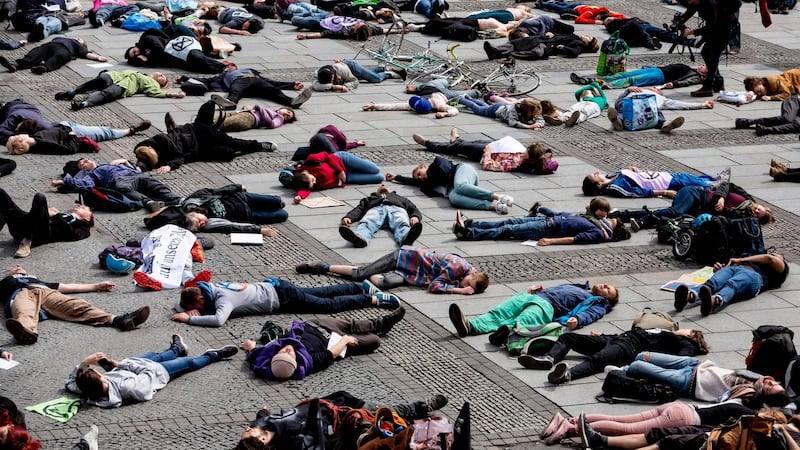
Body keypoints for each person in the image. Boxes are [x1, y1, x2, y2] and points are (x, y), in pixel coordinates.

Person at [235, 391, 448, 450]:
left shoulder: (265, 422)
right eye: (248, 432)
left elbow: (262, 415)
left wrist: (263, 413)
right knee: (384, 420)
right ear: (263, 442)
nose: (247, 428)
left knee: (379, 411)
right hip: (341, 423)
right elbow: (316, 437)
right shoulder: (290, 441)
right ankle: (421, 409)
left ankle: (418, 414)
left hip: (335, 403)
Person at [65, 335, 238, 408]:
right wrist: (122, 364)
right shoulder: (127, 387)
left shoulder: (86, 389)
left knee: (157, 355)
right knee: (188, 363)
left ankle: (177, 349)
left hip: (132, 368)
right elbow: (147, 377)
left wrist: (85, 362)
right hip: (155, 373)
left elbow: (70, 383)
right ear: (100, 376)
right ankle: (212, 355)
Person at [1, 265, 150, 344]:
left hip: (45, 292)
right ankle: (26, 333)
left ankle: (118, 320)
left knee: (77, 305)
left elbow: (67, 287)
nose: (19, 266)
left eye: (21, 267)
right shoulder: (6, 283)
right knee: (24, 311)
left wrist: (96, 286)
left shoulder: (37, 280)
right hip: (20, 294)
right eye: (15, 268)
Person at [172, 279, 403, 326]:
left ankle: (372, 299)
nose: (198, 310)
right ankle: (358, 286)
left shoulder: (225, 299)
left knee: (328, 306)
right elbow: (182, 302)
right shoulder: (213, 287)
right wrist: (185, 309)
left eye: (197, 307)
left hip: (282, 298)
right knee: (321, 293)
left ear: (201, 299)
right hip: (277, 287)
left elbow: (218, 320)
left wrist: (188, 319)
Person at [518, 328, 708, 385]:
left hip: (628, 347)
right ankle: (549, 359)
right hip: (615, 338)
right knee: (569, 338)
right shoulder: (668, 332)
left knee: (598, 359)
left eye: (688, 330)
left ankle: (567, 375)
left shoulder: (685, 342)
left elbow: (683, 360)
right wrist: (603, 336)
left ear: (692, 334)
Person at [132, 101, 277, 174]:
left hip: (197, 130)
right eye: (153, 154)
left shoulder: (156, 141)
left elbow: (140, 149)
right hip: (199, 148)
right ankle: (180, 126)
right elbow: (178, 159)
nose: (153, 150)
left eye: (150, 149)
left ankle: (259, 145)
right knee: (228, 153)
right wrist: (140, 168)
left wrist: (168, 164)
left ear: (148, 147)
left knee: (231, 142)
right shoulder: (159, 159)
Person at [241, 315, 402, 380]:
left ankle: (382, 323)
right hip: (333, 340)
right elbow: (332, 353)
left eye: (282, 352)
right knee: (373, 341)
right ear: (295, 362)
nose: (287, 349)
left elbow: (256, 353)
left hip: (316, 325)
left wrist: (250, 346)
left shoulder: (271, 353)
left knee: (351, 324)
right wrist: (345, 340)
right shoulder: (310, 361)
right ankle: (375, 330)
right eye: (289, 355)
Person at [447, 281, 618, 338]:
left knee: (524, 320)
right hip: (532, 297)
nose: (605, 285)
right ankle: (471, 326)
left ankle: (506, 334)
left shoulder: (599, 304)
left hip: (547, 307)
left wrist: (578, 320)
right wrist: (535, 290)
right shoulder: (582, 287)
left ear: (607, 299)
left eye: (608, 289)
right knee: (499, 312)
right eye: (607, 284)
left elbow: (591, 314)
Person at [296, 246, 489, 295]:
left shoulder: (469, 271)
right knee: (360, 274)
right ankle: (322, 267)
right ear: (472, 275)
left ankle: (371, 271)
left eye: (468, 286)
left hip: (412, 274)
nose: (464, 284)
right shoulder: (458, 267)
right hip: (404, 257)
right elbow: (435, 287)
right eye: (468, 283)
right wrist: (458, 290)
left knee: (385, 283)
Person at [540, 400, 757, 443]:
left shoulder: (737, 404)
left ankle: (567, 420)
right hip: (685, 418)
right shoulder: (750, 417)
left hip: (680, 407)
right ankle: (571, 430)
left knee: (619, 419)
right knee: (626, 429)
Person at [452, 198, 631, 246]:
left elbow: (575, 239)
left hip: (548, 228)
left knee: (508, 229)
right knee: (510, 221)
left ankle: (470, 234)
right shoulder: (598, 222)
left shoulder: (599, 233)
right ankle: (473, 224)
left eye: (614, 220)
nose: (611, 218)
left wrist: (550, 241)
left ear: (614, 228)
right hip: (549, 220)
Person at [623, 351, 789, 403]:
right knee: (642, 356)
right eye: (774, 383)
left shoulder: (749, 395)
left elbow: (724, 402)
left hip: (688, 382)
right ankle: (627, 369)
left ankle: (622, 371)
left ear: (765, 395)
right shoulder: (758, 378)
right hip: (696, 365)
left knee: (637, 366)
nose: (769, 383)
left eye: (770, 388)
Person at [672, 250, 788, 316]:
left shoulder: (782, 268)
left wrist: (740, 260)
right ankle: (689, 296)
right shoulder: (754, 257)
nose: (773, 252)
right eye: (772, 251)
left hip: (754, 276)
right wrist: (719, 268)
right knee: (713, 282)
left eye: (777, 253)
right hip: (733, 269)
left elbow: (769, 259)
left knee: (733, 284)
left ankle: (714, 302)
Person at [386, 156, 515, 213]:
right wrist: (396, 177)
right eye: (418, 178)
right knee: (453, 198)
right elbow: (412, 181)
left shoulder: (437, 163)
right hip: (458, 187)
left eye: (419, 173)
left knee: (459, 185)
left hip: (463, 171)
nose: (420, 178)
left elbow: (444, 171)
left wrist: (429, 177)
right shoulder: (428, 183)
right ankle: (494, 207)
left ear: (424, 167)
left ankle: (498, 197)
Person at [616, 182, 774, 230]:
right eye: (760, 209)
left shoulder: (741, 218)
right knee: (675, 211)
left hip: (697, 209)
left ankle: (622, 215)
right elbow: (727, 185)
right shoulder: (747, 198)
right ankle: (643, 221)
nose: (756, 210)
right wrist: (720, 198)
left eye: (757, 214)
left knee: (668, 217)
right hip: (696, 193)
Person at [53, 158, 181, 210]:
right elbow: (85, 184)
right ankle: (149, 202)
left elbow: (136, 169)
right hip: (120, 180)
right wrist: (64, 181)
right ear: (82, 170)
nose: (85, 160)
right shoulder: (92, 174)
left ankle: (179, 200)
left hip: (135, 174)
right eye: (82, 164)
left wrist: (125, 162)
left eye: (84, 159)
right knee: (122, 187)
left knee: (156, 186)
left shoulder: (108, 164)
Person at [412, 129, 558, 174]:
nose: (525, 150)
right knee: (466, 144)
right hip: (494, 146)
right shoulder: (523, 155)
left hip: (484, 153)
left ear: (530, 156)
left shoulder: (515, 163)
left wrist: (487, 152)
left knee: (455, 149)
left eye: (527, 150)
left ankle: (428, 144)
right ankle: (456, 139)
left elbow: (489, 166)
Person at [0, 189, 94, 258]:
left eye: (83, 208)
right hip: (23, 226)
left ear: (88, 218)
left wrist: (55, 215)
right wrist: (45, 213)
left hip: (39, 235)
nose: (79, 205)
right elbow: (34, 216)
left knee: (40, 197)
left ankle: (27, 240)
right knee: (2, 194)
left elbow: (71, 233)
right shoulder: (62, 214)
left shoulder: (84, 229)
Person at [676, 0, 742, 97]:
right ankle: (718, 82)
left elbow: (713, 27)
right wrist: (679, 21)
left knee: (712, 55)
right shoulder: (698, 2)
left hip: (724, 29)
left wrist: (693, 32)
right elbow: (690, 11)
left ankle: (708, 87)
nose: (688, 2)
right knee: (707, 53)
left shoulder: (710, 4)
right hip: (719, 28)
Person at [176, 68, 312, 110]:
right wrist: (184, 78)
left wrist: (291, 85)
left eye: (231, 66)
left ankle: (292, 102)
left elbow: (270, 81)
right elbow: (203, 80)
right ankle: (230, 103)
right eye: (227, 67)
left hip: (255, 80)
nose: (229, 67)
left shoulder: (249, 70)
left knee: (273, 91)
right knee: (235, 91)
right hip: (239, 82)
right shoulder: (221, 77)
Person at [54, 70, 186, 111]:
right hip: (114, 76)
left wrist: (173, 94)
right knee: (100, 80)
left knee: (107, 93)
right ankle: (72, 92)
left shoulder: (153, 84)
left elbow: (156, 93)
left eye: (163, 79)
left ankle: (84, 104)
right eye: (162, 74)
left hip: (124, 86)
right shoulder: (142, 72)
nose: (162, 75)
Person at [339, 183, 422, 248]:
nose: (382, 185)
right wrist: (349, 217)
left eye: (385, 185)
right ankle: (361, 237)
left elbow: (412, 207)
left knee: (400, 221)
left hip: (396, 209)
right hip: (376, 210)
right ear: (376, 192)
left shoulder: (399, 197)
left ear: (391, 191)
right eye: (380, 186)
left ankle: (405, 237)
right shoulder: (370, 199)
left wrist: (415, 216)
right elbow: (359, 209)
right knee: (368, 222)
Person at [123, 25, 228, 74]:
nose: (137, 53)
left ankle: (223, 67)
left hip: (178, 45)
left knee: (196, 57)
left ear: (134, 46)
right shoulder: (145, 55)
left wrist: (149, 58)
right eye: (135, 56)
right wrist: (144, 60)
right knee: (195, 66)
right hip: (177, 54)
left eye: (134, 51)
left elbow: (159, 48)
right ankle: (218, 68)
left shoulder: (147, 39)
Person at [6, 120, 151, 155]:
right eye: (17, 136)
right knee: (103, 132)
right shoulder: (43, 144)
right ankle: (129, 131)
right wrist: (72, 136)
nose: (18, 134)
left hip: (64, 125)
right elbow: (68, 149)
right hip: (73, 131)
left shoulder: (34, 139)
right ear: (21, 140)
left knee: (99, 130)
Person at [290, 151, 385, 203]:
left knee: (375, 169)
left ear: (305, 174)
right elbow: (305, 190)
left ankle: (360, 164)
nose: (315, 182)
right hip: (347, 178)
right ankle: (361, 168)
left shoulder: (311, 161)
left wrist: (340, 170)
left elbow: (327, 155)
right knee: (379, 178)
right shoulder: (305, 184)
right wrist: (299, 196)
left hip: (342, 161)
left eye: (312, 180)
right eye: (312, 184)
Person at [182, 183, 288, 228]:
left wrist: (237, 187)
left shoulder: (197, 199)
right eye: (199, 226)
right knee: (283, 215)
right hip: (248, 214)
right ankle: (266, 206)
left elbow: (218, 191)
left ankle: (271, 203)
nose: (202, 223)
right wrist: (258, 230)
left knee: (278, 201)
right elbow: (231, 227)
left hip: (242, 198)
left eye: (198, 221)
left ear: (194, 213)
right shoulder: (209, 224)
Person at [582, 166, 721, 198]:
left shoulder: (610, 176)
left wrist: (630, 168)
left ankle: (713, 180)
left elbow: (624, 172)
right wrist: (664, 192)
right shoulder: (615, 187)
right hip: (663, 183)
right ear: (598, 184)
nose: (597, 172)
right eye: (595, 175)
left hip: (660, 176)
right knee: (688, 182)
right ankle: (714, 185)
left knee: (688, 177)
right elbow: (638, 192)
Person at [0, 37, 107, 75]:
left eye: (80, 39)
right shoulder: (63, 38)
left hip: (64, 49)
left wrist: (97, 57)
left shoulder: (77, 45)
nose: (78, 38)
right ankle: (16, 64)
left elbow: (87, 54)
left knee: (60, 56)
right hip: (50, 45)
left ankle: (44, 67)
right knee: (36, 53)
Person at [570, 64, 715, 91]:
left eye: (705, 67)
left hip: (660, 76)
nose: (702, 65)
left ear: (706, 74)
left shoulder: (696, 76)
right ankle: (589, 80)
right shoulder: (693, 69)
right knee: (624, 74)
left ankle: (603, 84)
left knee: (631, 81)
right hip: (656, 70)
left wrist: (674, 84)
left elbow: (687, 82)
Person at [606, 89, 688, 134]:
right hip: (630, 101)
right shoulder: (637, 90)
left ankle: (666, 125)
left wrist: (698, 104)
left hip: (647, 107)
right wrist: (627, 90)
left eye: (657, 89)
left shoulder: (662, 98)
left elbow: (682, 104)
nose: (655, 88)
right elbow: (619, 99)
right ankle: (618, 121)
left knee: (655, 111)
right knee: (623, 106)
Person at [483, 33, 600, 61]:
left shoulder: (579, 44)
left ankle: (505, 54)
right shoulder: (574, 36)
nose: (586, 35)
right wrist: (552, 33)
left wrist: (563, 47)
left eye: (588, 38)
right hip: (545, 39)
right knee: (519, 42)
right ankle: (496, 50)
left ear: (587, 44)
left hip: (548, 45)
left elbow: (574, 52)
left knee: (537, 52)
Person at [312, 59, 405, 92]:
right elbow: (316, 86)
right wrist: (335, 87)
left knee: (375, 79)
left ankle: (389, 73)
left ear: (333, 74)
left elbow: (354, 81)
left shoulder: (342, 70)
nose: (332, 82)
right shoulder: (318, 74)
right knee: (368, 75)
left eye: (332, 80)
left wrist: (345, 86)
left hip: (351, 67)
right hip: (346, 72)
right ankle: (381, 68)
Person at [541, 82, 607, 127]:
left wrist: (594, 87)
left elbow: (595, 85)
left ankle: (573, 120)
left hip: (595, 105)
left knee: (585, 111)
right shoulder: (583, 98)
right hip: (583, 103)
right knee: (572, 110)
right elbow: (577, 93)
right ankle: (559, 119)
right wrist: (591, 87)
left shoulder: (602, 99)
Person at [458, 96, 545, 129]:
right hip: (496, 110)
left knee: (485, 106)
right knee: (479, 110)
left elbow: (541, 120)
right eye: (535, 113)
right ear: (527, 111)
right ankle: (461, 99)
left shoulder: (534, 109)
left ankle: (469, 98)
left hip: (503, 106)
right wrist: (529, 126)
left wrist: (538, 124)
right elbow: (512, 122)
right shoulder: (514, 111)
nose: (536, 115)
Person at [736, 95, 800, 136]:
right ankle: (748, 121)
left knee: (798, 125)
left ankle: (766, 130)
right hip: (795, 101)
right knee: (787, 119)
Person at [362, 92, 459, 119]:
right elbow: (394, 106)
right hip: (431, 91)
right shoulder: (414, 105)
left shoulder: (439, 104)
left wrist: (445, 114)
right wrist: (374, 106)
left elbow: (455, 110)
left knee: (463, 94)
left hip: (445, 94)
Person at [603, 17, 680, 49]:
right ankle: (651, 42)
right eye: (606, 21)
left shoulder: (621, 19)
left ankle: (684, 40)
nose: (608, 20)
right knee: (646, 34)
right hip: (637, 27)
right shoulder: (612, 25)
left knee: (663, 33)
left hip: (643, 25)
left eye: (608, 18)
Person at [215, 104, 296, 132]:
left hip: (249, 119)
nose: (286, 114)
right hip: (243, 113)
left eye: (288, 117)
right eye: (288, 112)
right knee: (216, 118)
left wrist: (260, 108)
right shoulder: (273, 112)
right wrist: (247, 108)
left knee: (221, 123)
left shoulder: (280, 118)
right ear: (285, 108)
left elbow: (271, 124)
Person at [295, 16, 385, 40]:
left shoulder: (344, 32)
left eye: (359, 24)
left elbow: (324, 34)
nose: (358, 22)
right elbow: (384, 30)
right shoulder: (370, 29)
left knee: (295, 19)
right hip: (328, 15)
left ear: (356, 30)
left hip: (320, 23)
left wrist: (306, 36)